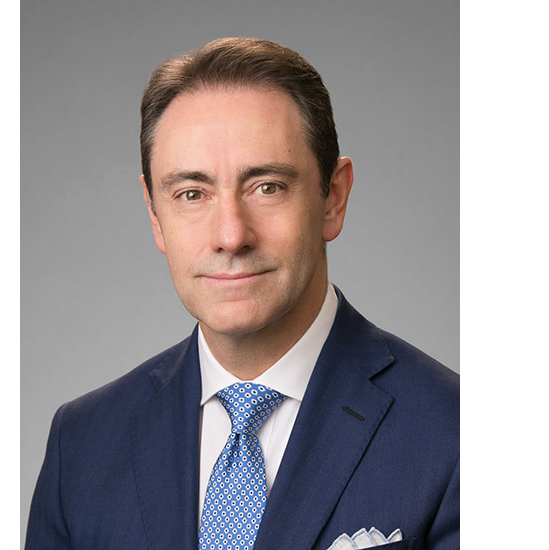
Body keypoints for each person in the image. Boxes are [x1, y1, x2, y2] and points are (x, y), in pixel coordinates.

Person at [26, 37, 459, 550]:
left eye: (267, 187)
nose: (231, 235)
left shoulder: (455, 432)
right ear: (155, 215)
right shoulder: (81, 445)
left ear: (333, 199)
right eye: (192, 194)